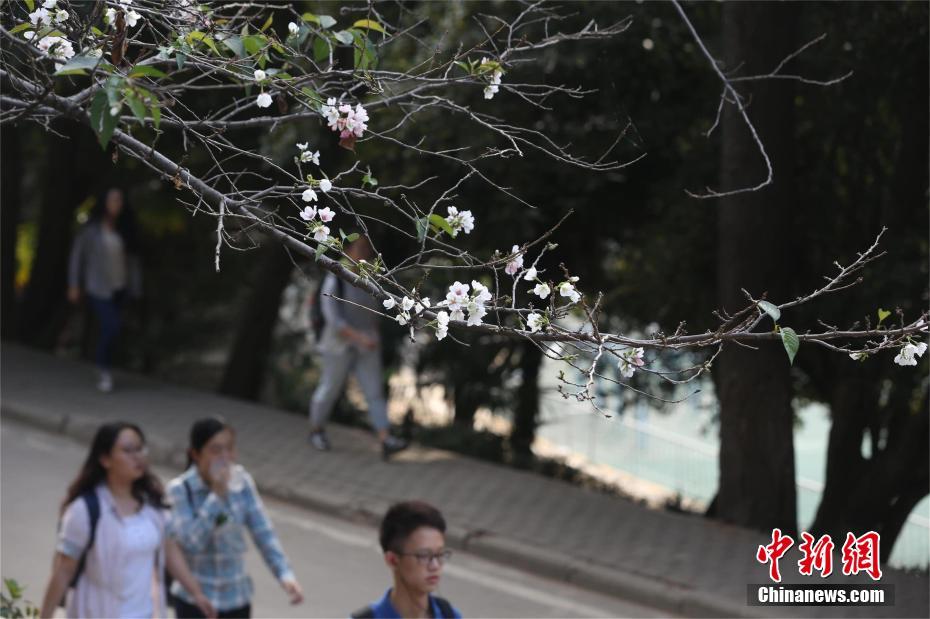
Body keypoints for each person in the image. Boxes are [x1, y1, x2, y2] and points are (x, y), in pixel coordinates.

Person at [38, 422, 213, 619]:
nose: (138, 456)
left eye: (140, 449)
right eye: (128, 450)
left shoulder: (152, 504)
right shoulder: (86, 509)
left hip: (143, 613)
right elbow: (63, 571)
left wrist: (196, 593)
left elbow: (170, 550)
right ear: (105, 459)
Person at [167, 417, 304, 618]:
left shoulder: (242, 482)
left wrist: (285, 575)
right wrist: (216, 497)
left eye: (229, 449)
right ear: (195, 454)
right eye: (215, 450)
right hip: (196, 601)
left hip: (236, 599)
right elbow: (190, 544)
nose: (225, 457)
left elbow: (263, 532)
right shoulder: (180, 490)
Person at [308, 235, 407, 459]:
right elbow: (334, 320)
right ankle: (316, 430)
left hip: (367, 345)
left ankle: (385, 438)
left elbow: (374, 312)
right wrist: (360, 338)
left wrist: (372, 335)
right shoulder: (335, 278)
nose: (363, 253)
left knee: (374, 392)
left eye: (367, 248)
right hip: (338, 345)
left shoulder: (370, 279)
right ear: (348, 249)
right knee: (329, 389)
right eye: (359, 247)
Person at [67, 187, 142, 393]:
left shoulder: (125, 229)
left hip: (120, 287)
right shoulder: (91, 230)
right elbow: (77, 257)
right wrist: (74, 284)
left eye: (120, 200)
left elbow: (133, 262)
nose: (117, 204)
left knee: (111, 330)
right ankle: (103, 369)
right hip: (98, 286)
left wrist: (135, 288)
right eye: (113, 200)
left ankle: (104, 364)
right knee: (111, 326)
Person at [352, 501, 462, 619]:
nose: (435, 565)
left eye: (440, 554)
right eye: (424, 555)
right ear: (393, 560)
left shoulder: (448, 614)